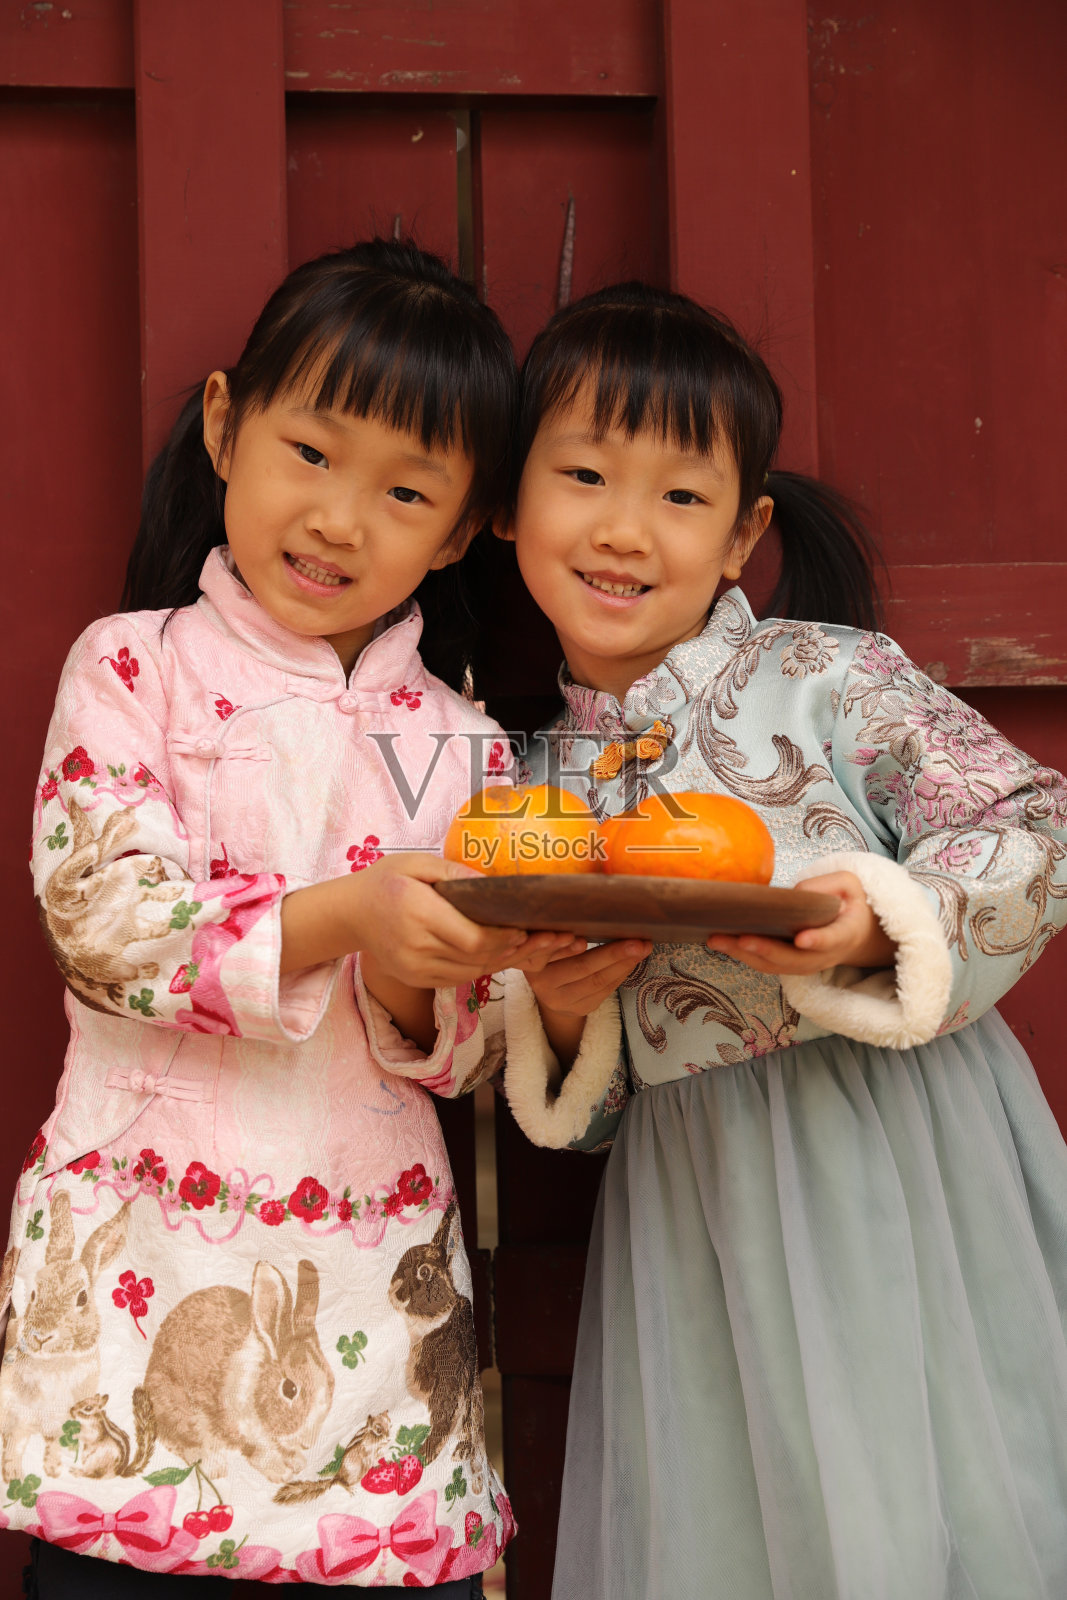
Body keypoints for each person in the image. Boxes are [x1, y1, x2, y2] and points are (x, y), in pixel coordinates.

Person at [6, 238, 572, 1596]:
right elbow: (109, 925)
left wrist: (422, 987)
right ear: (224, 426)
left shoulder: (466, 752)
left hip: (363, 1296)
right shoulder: (132, 667)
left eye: (405, 491)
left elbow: (476, 1052)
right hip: (143, 1279)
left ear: (461, 528)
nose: (339, 518)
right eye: (311, 453)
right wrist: (354, 913)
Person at [494, 281, 1067, 1599]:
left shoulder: (831, 677)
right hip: (700, 1212)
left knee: (946, 1511)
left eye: (681, 497)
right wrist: (572, 1011)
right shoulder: (535, 788)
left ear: (746, 527)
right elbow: (585, 1116)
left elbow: (1037, 819)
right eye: (582, 475)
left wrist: (886, 920)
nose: (624, 530)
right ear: (509, 503)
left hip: (900, 1157)